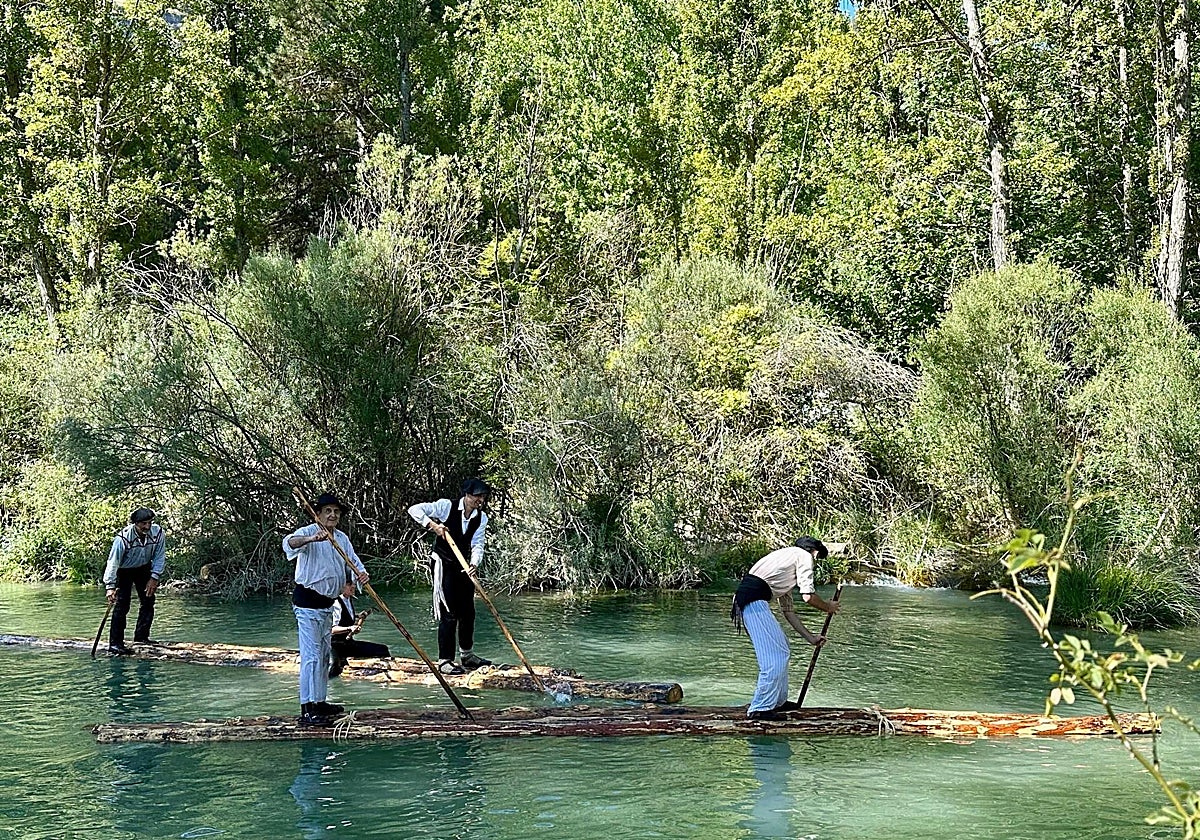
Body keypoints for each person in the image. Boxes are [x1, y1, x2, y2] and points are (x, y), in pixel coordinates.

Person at [283, 492, 370, 727]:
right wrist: (312, 539)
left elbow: (352, 561)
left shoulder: (341, 538)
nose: (332, 515)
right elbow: (289, 543)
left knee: (323, 656)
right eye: (327, 511)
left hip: (326, 605)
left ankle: (319, 701)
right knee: (311, 657)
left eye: (336, 512)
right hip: (307, 603)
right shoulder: (308, 532)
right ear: (319, 514)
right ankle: (307, 709)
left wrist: (361, 575)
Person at [731, 536, 840, 720]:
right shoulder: (804, 556)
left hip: (748, 602)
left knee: (782, 649)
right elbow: (808, 596)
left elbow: (788, 612)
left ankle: (777, 702)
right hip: (753, 602)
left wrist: (811, 638)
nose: (814, 562)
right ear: (814, 552)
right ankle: (760, 709)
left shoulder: (785, 563)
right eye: (817, 558)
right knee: (775, 656)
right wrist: (828, 607)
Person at [407, 478, 492, 675]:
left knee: (468, 611)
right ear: (467, 495)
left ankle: (467, 654)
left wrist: (474, 563)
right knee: (449, 612)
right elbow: (414, 509)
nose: (480, 500)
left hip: (464, 566)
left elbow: (478, 543)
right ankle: (445, 660)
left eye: (482, 496)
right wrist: (432, 526)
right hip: (443, 564)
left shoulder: (481, 518)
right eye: (476, 496)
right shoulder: (446, 506)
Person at [103, 507, 166, 654]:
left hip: (144, 568)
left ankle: (141, 637)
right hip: (124, 570)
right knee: (122, 605)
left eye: (150, 522)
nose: (147, 527)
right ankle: (116, 644)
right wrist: (110, 586)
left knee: (148, 600)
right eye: (143, 524)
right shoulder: (123, 538)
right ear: (135, 524)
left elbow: (159, 556)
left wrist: (154, 577)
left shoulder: (158, 533)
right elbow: (113, 562)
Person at [329, 579, 391, 678]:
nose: (353, 587)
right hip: (335, 645)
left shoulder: (348, 600)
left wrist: (357, 616)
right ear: (341, 587)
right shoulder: (336, 603)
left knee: (383, 649)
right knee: (335, 667)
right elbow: (331, 629)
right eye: (349, 585)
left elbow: (344, 617)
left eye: (353, 584)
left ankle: (383, 674)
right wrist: (350, 628)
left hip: (348, 643)